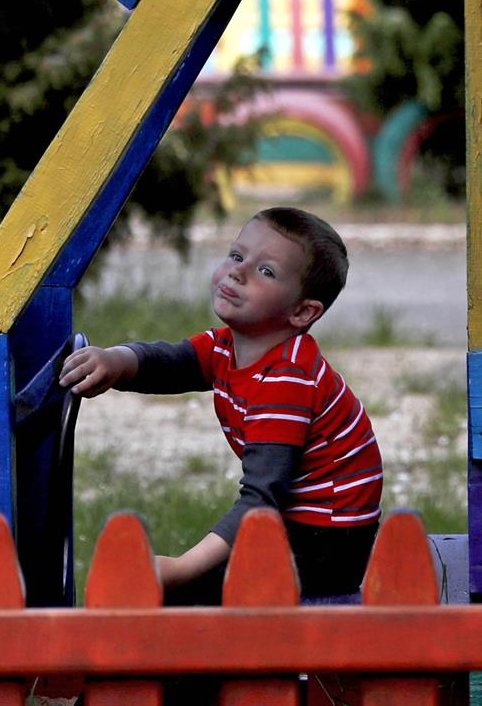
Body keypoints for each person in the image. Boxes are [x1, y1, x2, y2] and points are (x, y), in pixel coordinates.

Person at [58, 206, 381, 602]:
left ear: (302, 311)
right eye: (236, 255)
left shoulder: (286, 380)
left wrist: (183, 566)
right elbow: (171, 362)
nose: (237, 272)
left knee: (191, 593)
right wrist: (116, 362)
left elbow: (263, 498)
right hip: (292, 522)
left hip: (327, 540)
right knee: (185, 592)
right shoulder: (227, 346)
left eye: (265, 271)